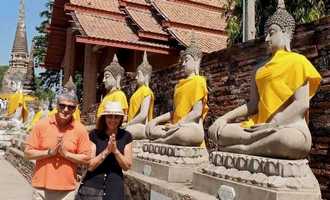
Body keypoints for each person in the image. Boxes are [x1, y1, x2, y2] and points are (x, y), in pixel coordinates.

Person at [208, 0, 322, 159]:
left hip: (287, 127)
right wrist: (224, 118)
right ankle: (249, 147)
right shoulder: (259, 68)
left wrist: (274, 124)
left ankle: (242, 149)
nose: (267, 38)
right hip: (257, 127)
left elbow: (302, 103)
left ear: (285, 33)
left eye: (272, 32)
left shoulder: (298, 62)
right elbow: (253, 105)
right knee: (219, 131)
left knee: (288, 141)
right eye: (266, 33)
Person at [24, 77, 91, 200]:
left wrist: (66, 155)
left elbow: (86, 158)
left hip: (66, 191)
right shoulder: (42, 124)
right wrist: (49, 153)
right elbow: (28, 153)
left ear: (75, 109)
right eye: (62, 105)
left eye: (70, 107)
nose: (65, 109)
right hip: (41, 188)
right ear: (56, 105)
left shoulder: (80, 129)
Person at [146, 37, 208, 146]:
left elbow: (197, 112)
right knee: (151, 129)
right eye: (182, 60)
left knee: (182, 134)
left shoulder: (199, 81)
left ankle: (163, 141)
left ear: (196, 60)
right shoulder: (179, 85)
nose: (183, 64)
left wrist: (178, 124)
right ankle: (167, 138)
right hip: (175, 127)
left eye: (186, 60)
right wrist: (155, 120)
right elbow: (174, 112)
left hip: (190, 127)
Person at [76, 101, 132, 200]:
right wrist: (106, 151)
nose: (113, 120)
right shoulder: (94, 135)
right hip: (92, 186)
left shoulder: (126, 136)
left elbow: (127, 166)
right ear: (104, 117)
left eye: (116, 117)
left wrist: (115, 151)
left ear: (121, 119)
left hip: (115, 187)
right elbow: (90, 166)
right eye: (110, 116)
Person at [125, 51, 154, 139]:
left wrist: (128, 124)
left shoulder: (147, 91)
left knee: (122, 133)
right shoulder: (138, 92)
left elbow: (143, 115)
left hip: (141, 126)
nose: (136, 77)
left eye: (138, 74)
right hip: (133, 124)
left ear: (146, 76)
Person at [96, 54, 128, 119]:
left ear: (118, 78)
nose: (103, 80)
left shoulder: (119, 95)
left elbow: (121, 118)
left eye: (107, 76)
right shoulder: (107, 96)